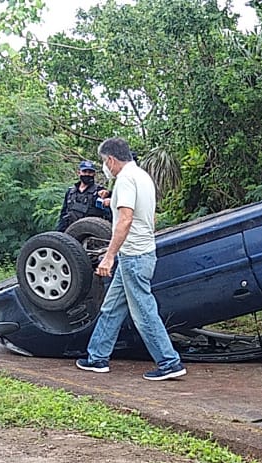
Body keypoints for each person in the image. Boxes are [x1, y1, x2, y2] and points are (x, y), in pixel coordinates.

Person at [76, 138, 186, 381]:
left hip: (133, 257)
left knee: (144, 311)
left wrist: (109, 256)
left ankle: (169, 362)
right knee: (112, 307)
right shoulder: (142, 176)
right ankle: (97, 357)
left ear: (111, 159)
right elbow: (150, 217)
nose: (105, 167)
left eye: (104, 161)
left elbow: (125, 219)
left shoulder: (125, 179)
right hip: (139, 253)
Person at [56, 160, 110, 232]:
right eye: (84, 171)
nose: (87, 174)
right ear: (79, 172)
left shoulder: (99, 191)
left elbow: (108, 214)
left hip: (91, 232)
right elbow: (63, 213)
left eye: (90, 172)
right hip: (70, 230)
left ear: (94, 174)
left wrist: (106, 196)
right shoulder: (71, 191)